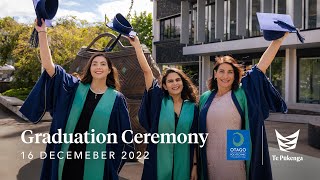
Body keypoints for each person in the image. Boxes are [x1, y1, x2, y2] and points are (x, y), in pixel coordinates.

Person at [20, 19, 134, 180]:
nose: (98, 66)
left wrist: (112, 162)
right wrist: (42, 32)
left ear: (109, 70)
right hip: (68, 156)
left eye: (103, 64)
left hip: (97, 159)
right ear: (90, 68)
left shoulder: (116, 99)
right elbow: (49, 67)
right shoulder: (74, 88)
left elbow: (124, 136)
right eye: (94, 63)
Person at [198, 33, 289, 180]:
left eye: (230, 72)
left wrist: (277, 41)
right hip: (209, 154)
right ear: (215, 74)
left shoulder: (241, 93)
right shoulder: (205, 97)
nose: (225, 76)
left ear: (235, 76)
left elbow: (260, 68)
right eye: (221, 71)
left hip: (235, 150)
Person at [126, 36, 199, 180]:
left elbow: (195, 140)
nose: (175, 83)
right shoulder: (159, 101)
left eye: (178, 80)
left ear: (183, 83)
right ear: (165, 86)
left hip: (184, 164)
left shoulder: (192, 108)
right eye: (170, 81)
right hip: (157, 162)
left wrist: (195, 166)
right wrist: (137, 47)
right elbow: (147, 72)